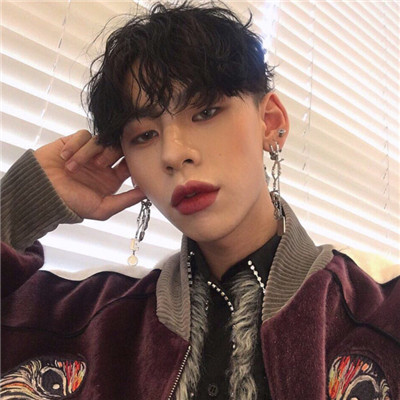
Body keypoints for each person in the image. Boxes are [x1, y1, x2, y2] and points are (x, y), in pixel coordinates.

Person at [1, 2, 399, 399]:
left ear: (270, 122)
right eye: (144, 136)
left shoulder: (380, 312)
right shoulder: (85, 318)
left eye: (206, 112)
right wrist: (24, 200)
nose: (173, 154)